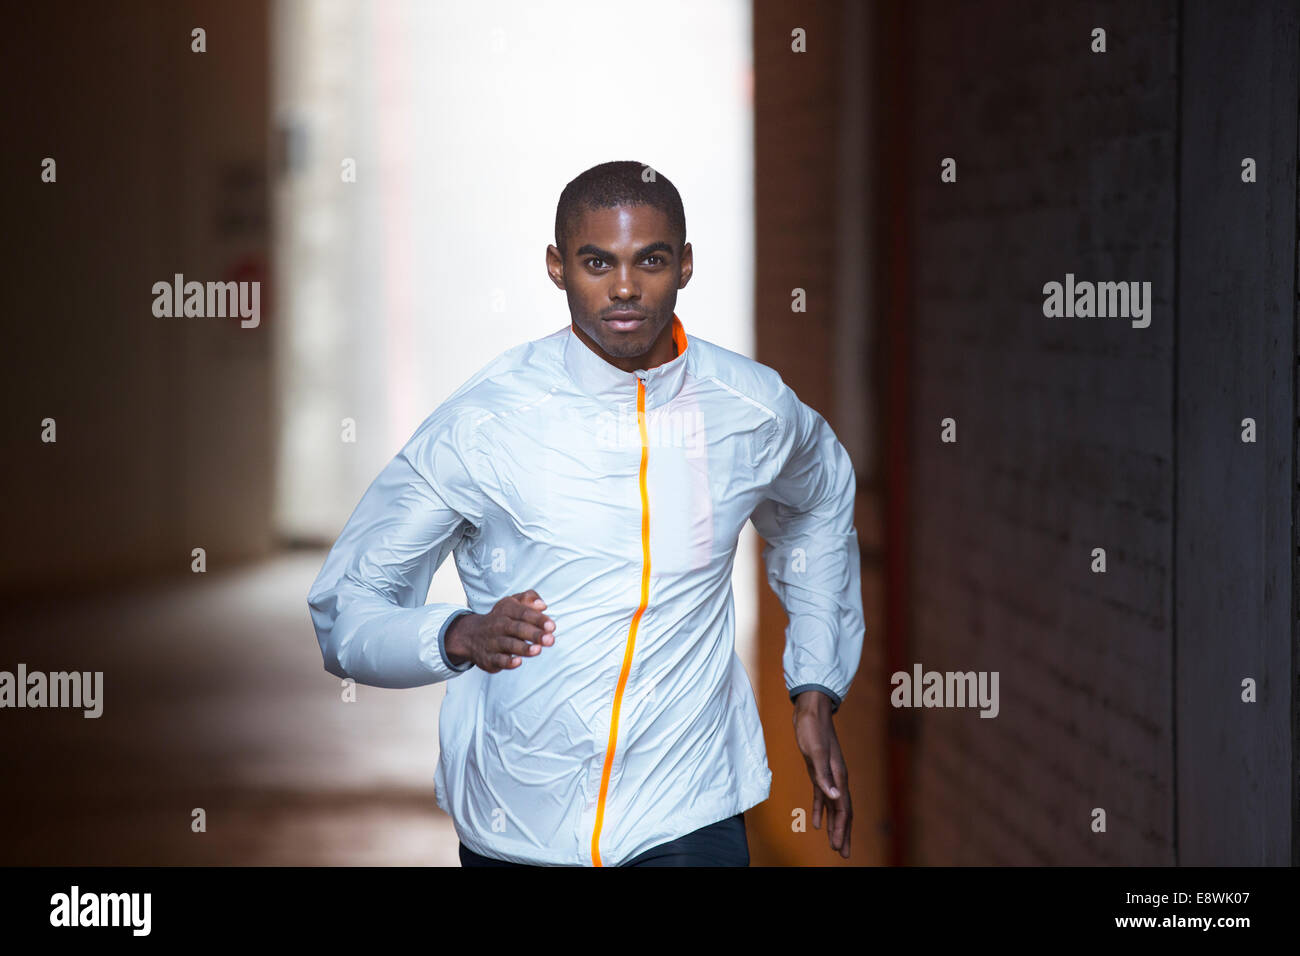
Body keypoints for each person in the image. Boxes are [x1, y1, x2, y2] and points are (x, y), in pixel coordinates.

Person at [307, 160, 864, 866]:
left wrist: (815, 683)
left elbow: (819, 502)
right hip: (519, 822)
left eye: (650, 261)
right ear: (556, 266)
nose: (625, 287)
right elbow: (345, 608)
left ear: (686, 265)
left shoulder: (749, 409)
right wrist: (456, 634)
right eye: (597, 262)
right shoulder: (486, 422)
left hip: (687, 814)